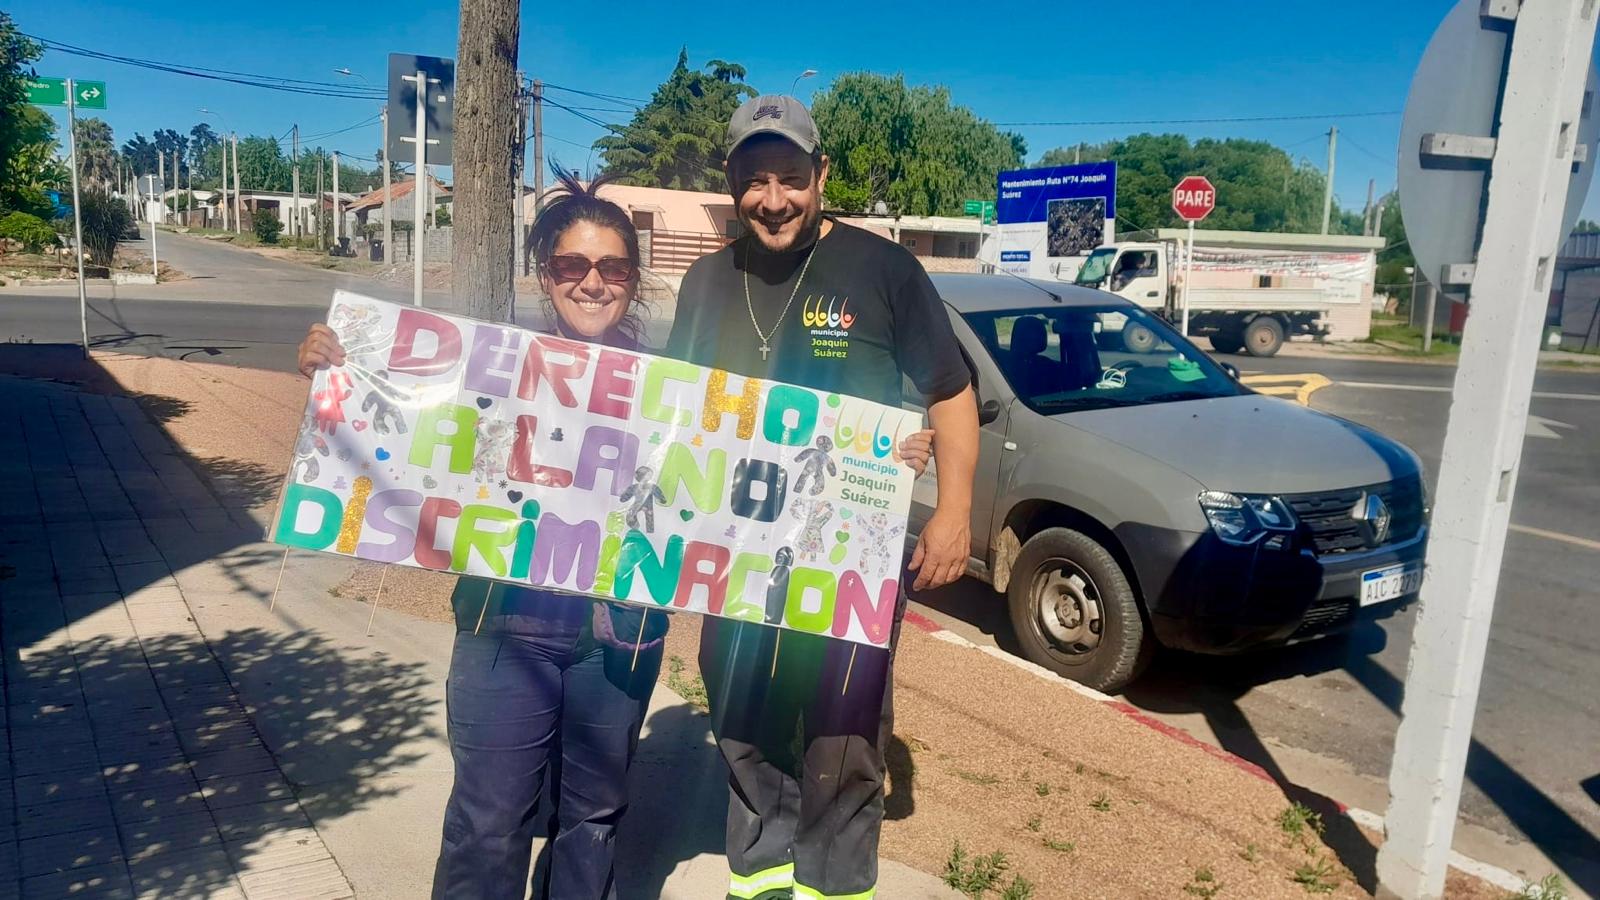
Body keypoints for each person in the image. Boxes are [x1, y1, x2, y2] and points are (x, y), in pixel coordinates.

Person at [296, 169, 935, 899]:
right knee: (487, 822)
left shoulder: (676, 383)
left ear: (633, 280)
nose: (592, 283)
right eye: (572, 266)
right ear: (546, 275)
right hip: (505, 631)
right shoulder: (491, 363)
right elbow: (407, 426)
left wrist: (880, 456)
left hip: (619, 644)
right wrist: (338, 368)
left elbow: (764, 468)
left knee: (592, 822)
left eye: (613, 268)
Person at [667, 95, 980, 900]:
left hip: (852, 548)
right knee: (739, 697)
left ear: (822, 176)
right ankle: (761, 869)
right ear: (732, 183)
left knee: (844, 722)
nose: (774, 199)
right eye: (756, 180)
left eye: (792, 178)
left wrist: (952, 511)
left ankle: (834, 884)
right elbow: (673, 407)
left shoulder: (885, 271)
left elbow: (951, 393)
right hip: (734, 544)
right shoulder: (705, 282)